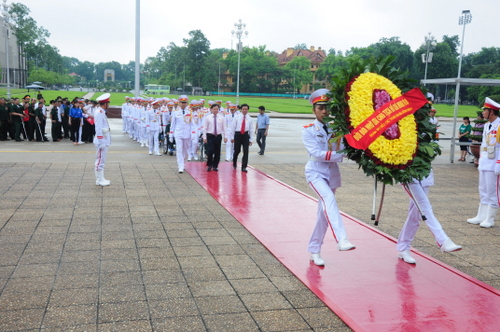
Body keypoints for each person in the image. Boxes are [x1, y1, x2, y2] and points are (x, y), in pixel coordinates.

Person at [302, 89, 355, 266]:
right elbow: (316, 153)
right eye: (320, 107)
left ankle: (314, 250)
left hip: (331, 172)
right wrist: (341, 155)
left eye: (327, 107)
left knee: (323, 215)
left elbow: (346, 145)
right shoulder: (308, 130)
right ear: (314, 110)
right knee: (329, 199)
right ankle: (342, 239)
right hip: (315, 172)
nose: (325, 111)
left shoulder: (336, 128)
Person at [397, 171, 462, 264]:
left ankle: (403, 247)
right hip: (408, 174)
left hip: (424, 174)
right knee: (425, 207)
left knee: (415, 215)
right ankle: (443, 240)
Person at [467, 97, 500, 228]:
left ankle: (490, 218)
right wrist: (480, 160)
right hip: (485, 160)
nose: (483, 113)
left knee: (493, 191)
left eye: (485, 110)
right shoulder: (487, 125)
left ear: (491, 111)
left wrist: (499, 163)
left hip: (495, 162)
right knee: (483, 189)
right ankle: (481, 215)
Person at [169, 95, 193, 173]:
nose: (183, 104)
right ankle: (180, 166)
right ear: (179, 103)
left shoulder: (189, 112)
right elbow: (173, 124)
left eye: (185, 103)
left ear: (187, 103)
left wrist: (193, 133)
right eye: (182, 102)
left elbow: (192, 124)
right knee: (179, 150)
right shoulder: (175, 112)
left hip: (187, 133)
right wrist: (171, 134)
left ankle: (183, 162)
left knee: (185, 151)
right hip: (178, 133)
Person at [93, 93, 112, 186]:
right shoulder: (99, 113)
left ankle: (101, 178)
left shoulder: (101, 111)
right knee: (100, 160)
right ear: (105, 104)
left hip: (104, 139)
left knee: (102, 160)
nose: (109, 105)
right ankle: (99, 180)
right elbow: (98, 128)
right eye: (108, 103)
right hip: (101, 140)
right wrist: (101, 141)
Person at [203, 103, 227, 171]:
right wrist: (204, 137)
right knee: (210, 151)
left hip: (218, 136)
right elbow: (205, 128)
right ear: (211, 109)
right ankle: (209, 164)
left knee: (217, 152)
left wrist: (226, 136)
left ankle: (215, 165)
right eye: (214, 109)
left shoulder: (221, 117)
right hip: (210, 136)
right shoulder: (208, 118)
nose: (216, 110)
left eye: (217, 109)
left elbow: (224, 127)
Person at [230, 103, 253, 172]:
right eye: (243, 109)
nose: (245, 110)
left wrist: (251, 139)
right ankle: (234, 162)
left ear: (248, 110)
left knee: (246, 151)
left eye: (246, 109)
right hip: (238, 134)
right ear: (241, 110)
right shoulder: (237, 117)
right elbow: (233, 128)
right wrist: (232, 137)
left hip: (245, 135)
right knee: (237, 150)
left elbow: (251, 129)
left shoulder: (250, 118)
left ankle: (244, 166)